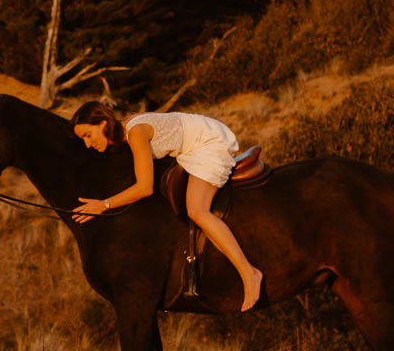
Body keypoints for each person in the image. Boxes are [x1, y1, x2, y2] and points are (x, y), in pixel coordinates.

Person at [69, 102, 263, 312]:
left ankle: (249, 273)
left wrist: (103, 205)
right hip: (192, 145)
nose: (88, 144)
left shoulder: (135, 133)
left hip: (207, 142)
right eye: (83, 139)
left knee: (197, 210)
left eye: (88, 135)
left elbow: (144, 188)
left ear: (103, 123)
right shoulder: (125, 133)